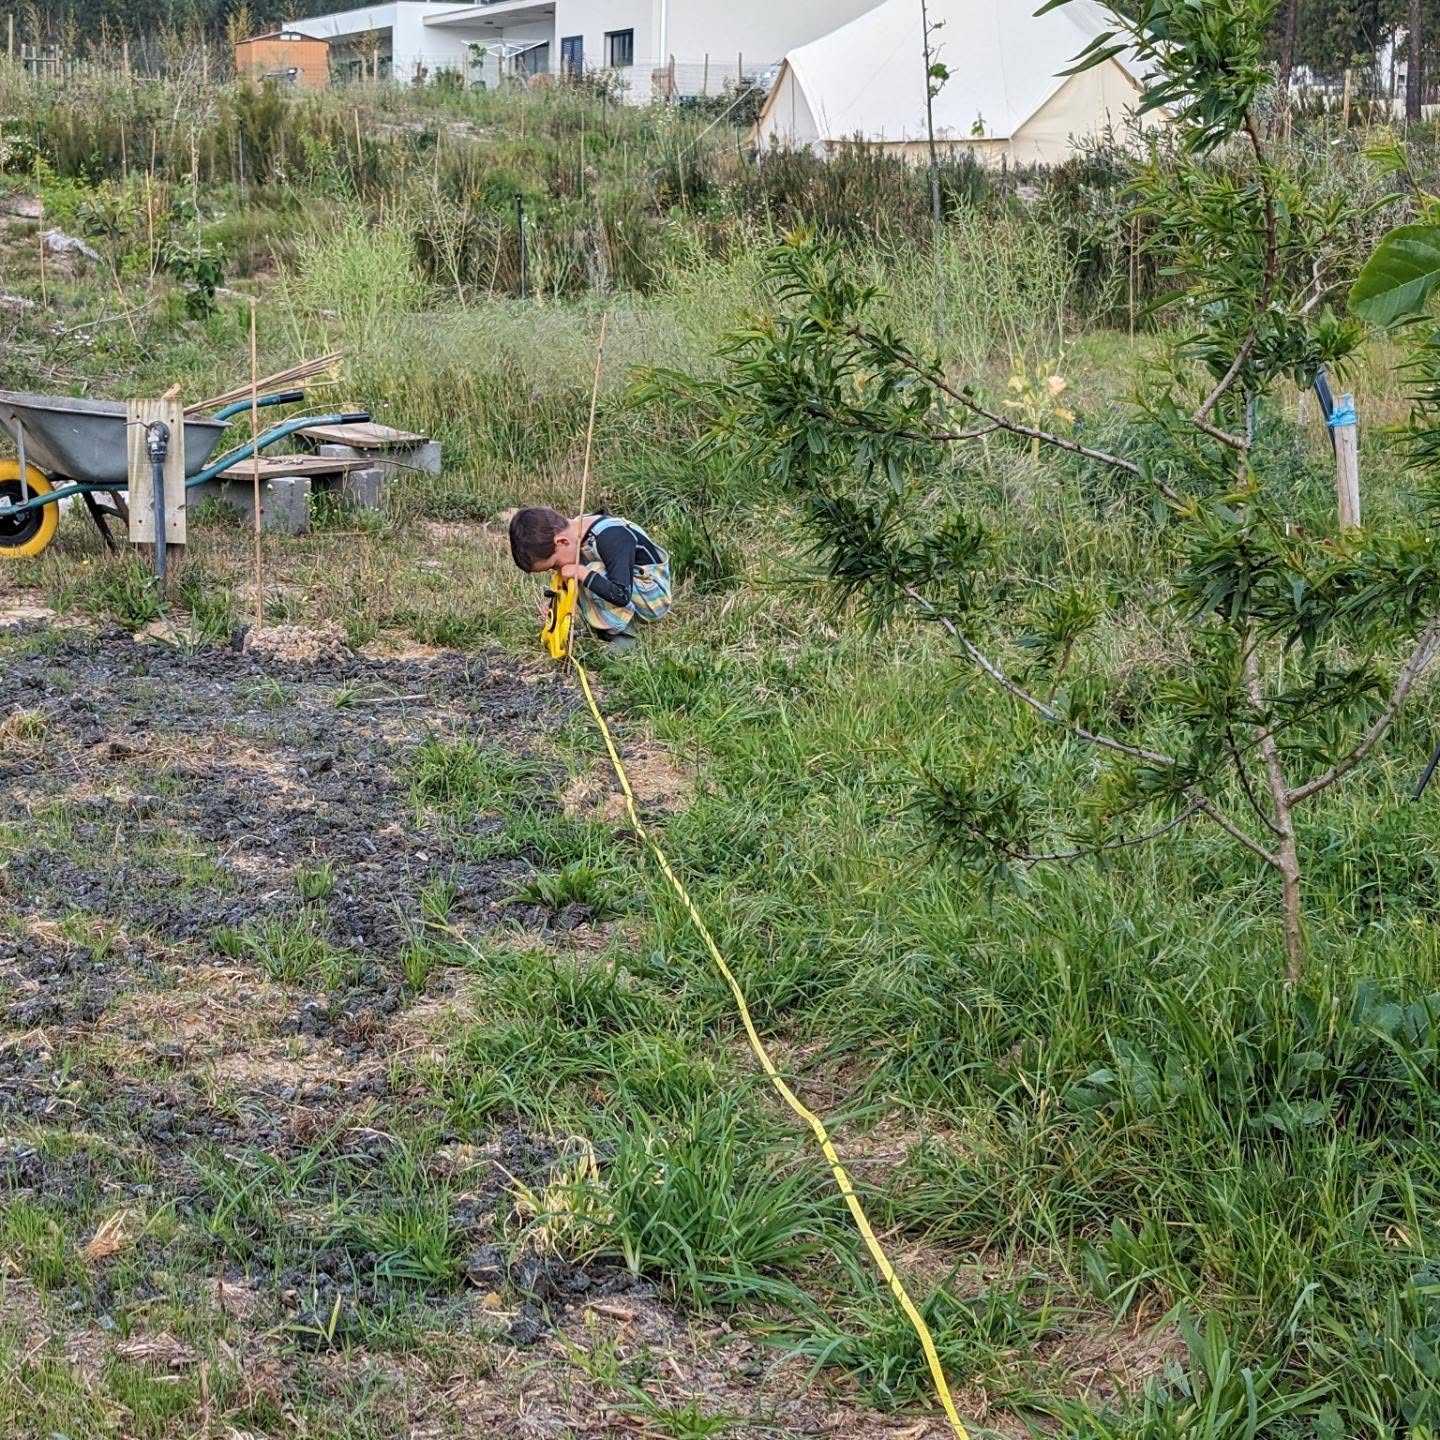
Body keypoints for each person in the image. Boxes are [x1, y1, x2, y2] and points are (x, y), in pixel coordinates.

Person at [509, 507, 672, 654]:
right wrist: (556, 604)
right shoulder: (574, 533)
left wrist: (581, 572)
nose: (557, 570)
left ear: (562, 541)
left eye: (554, 565)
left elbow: (621, 594)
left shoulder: (612, 536)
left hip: (652, 598)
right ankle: (600, 628)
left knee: (587, 571)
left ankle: (626, 636)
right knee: (578, 571)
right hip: (629, 589)